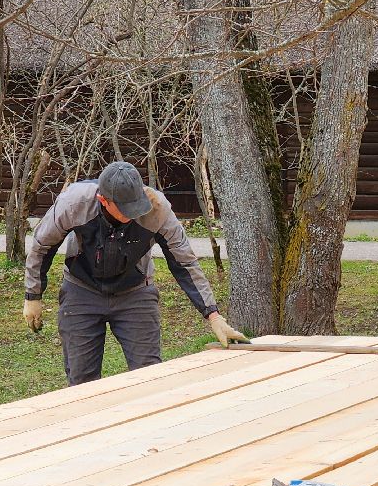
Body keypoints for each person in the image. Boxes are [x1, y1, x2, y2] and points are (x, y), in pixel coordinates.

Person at [22, 160, 246, 385]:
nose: (133, 213)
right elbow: (42, 246)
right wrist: (33, 296)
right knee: (81, 381)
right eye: (125, 208)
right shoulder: (74, 204)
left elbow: (184, 262)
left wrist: (213, 315)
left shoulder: (157, 209)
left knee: (149, 377)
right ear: (103, 200)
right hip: (81, 290)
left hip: (136, 292)